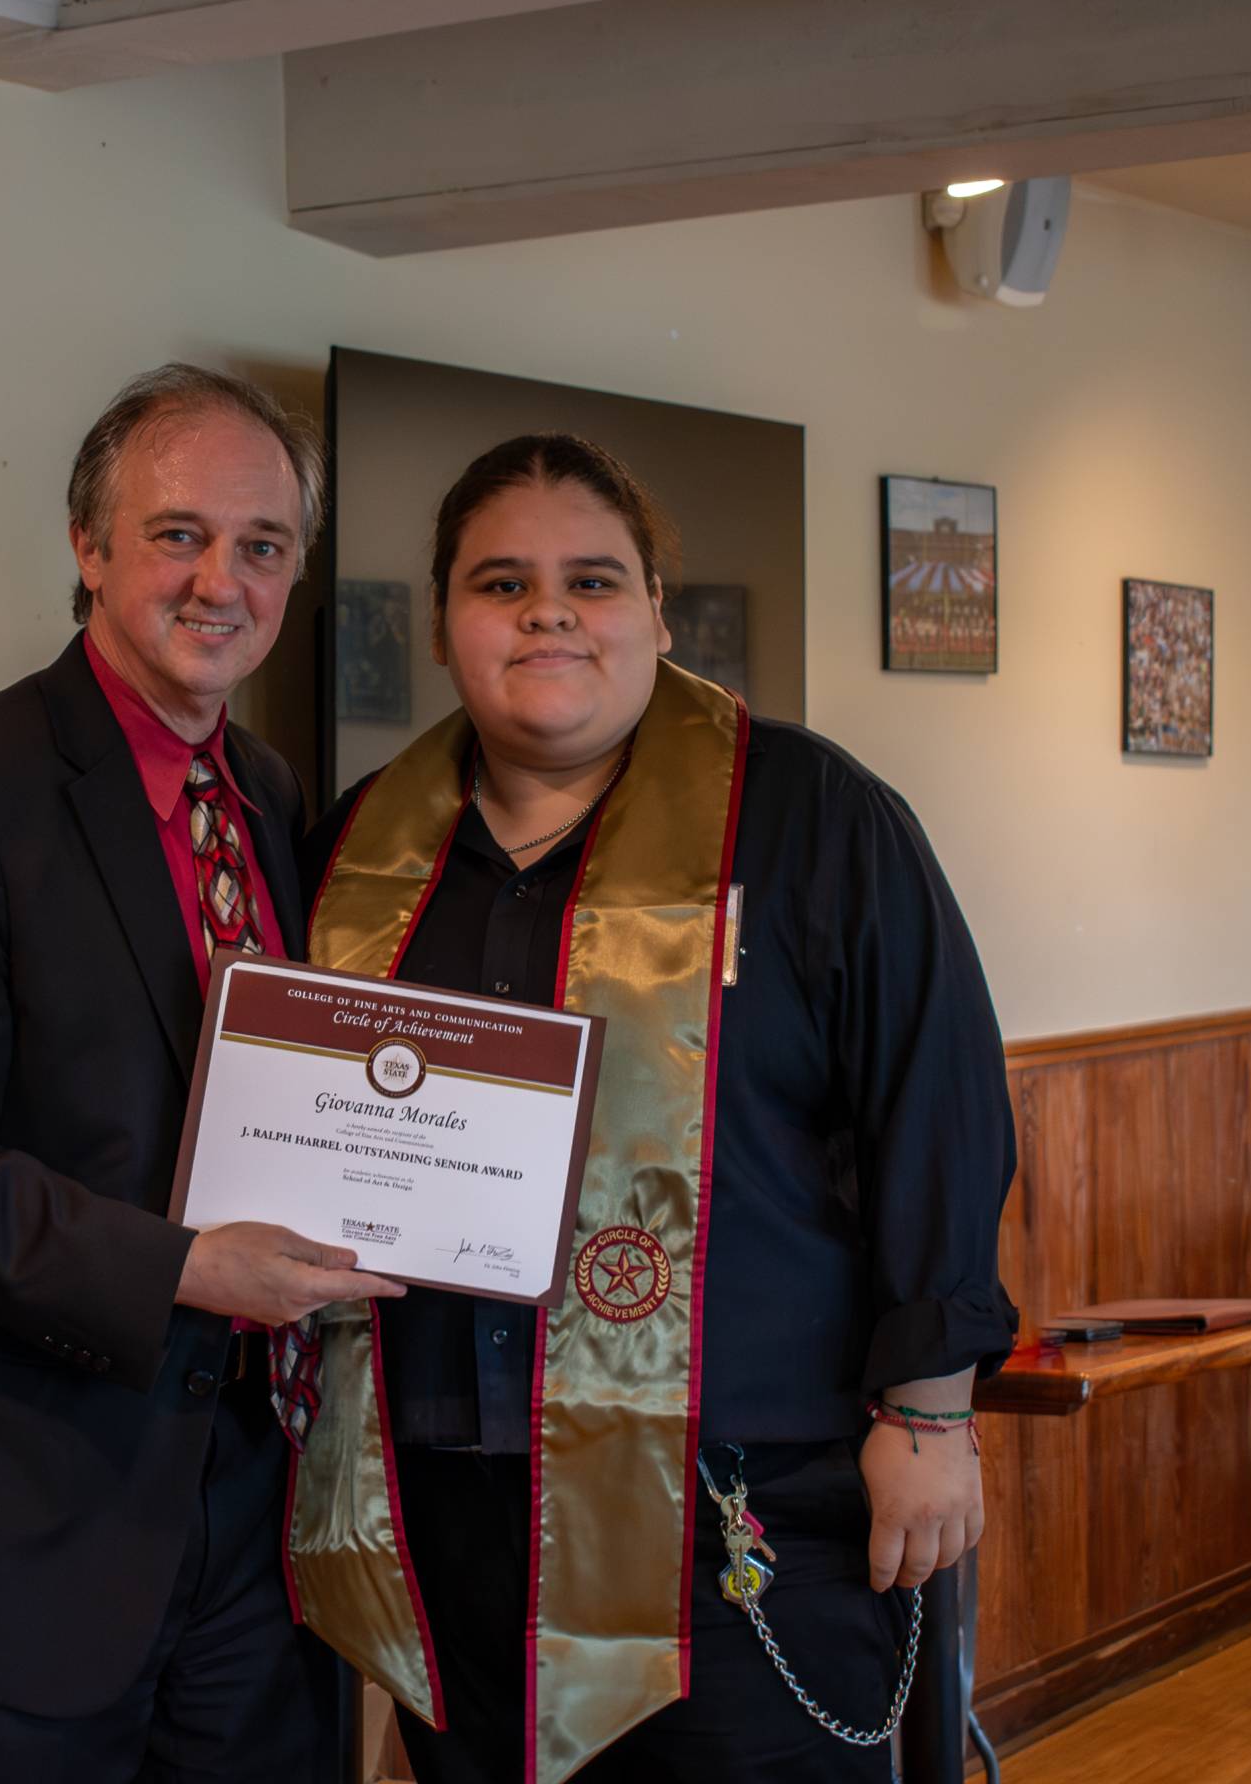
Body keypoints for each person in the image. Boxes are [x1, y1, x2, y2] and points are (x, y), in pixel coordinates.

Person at [289, 435, 1018, 1783]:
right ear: (445, 623)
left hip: (737, 1502)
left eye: (594, 580)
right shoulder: (357, 849)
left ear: (659, 616)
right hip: (451, 1496)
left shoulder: (813, 819)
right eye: (500, 581)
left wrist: (929, 1411)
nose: (549, 611)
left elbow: (938, 1107)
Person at [0, 364, 399, 1783]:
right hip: (28, 1525)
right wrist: (181, 1269)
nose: (221, 581)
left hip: (258, 1512)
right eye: (178, 533)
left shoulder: (270, 796)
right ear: (88, 545)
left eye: (263, 547)